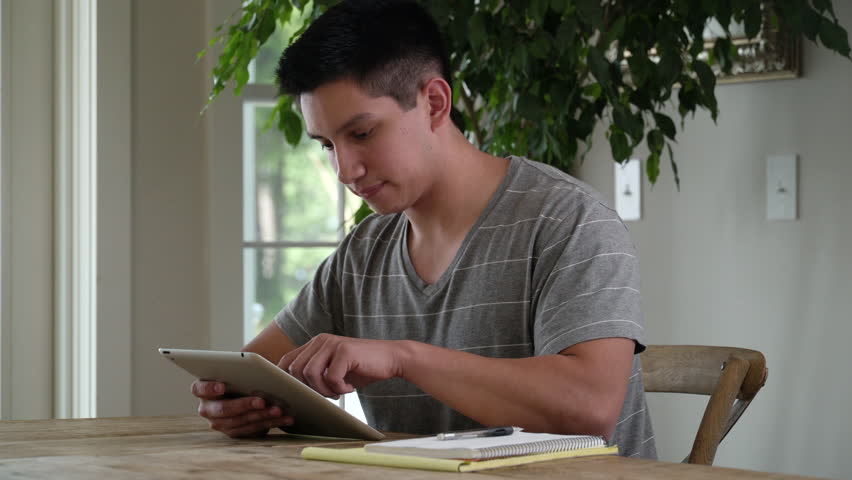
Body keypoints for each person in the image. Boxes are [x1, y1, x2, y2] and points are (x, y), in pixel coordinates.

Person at [192, 0, 656, 459]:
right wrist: (237, 404)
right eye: (327, 144)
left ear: (434, 102)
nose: (344, 170)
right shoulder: (365, 251)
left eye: (362, 134)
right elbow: (252, 371)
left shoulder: (569, 221)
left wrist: (402, 359)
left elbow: (590, 410)